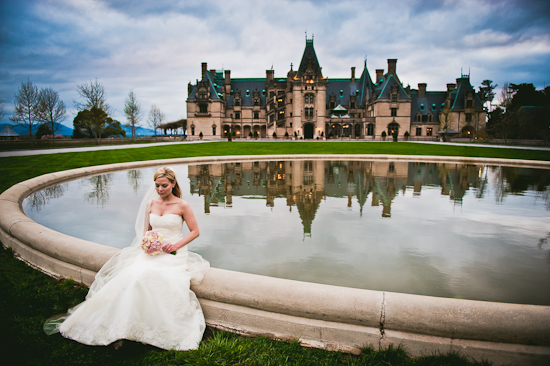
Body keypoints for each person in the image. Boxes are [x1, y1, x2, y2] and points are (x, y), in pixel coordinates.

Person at [44, 167, 210, 350]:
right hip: (153, 252)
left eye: (164, 186)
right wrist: (147, 244)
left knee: (151, 277)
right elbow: (147, 232)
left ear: (173, 184)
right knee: (133, 276)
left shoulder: (182, 205)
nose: (160, 189)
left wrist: (175, 246)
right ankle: (121, 328)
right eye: (157, 186)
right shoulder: (151, 204)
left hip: (174, 253)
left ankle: (148, 327)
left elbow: (195, 232)